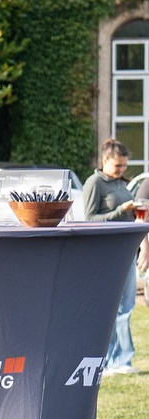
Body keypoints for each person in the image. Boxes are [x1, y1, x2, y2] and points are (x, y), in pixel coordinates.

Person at [83, 138, 142, 375]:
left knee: (126, 305)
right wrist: (121, 210)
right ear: (105, 161)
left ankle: (123, 360)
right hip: (106, 252)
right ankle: (107, 361)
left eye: (125, 166)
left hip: (125, 249)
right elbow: (88, 219)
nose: (121, 170)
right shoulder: (94, 183)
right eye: (117, 166)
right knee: (112, 307)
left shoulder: (121, 183)